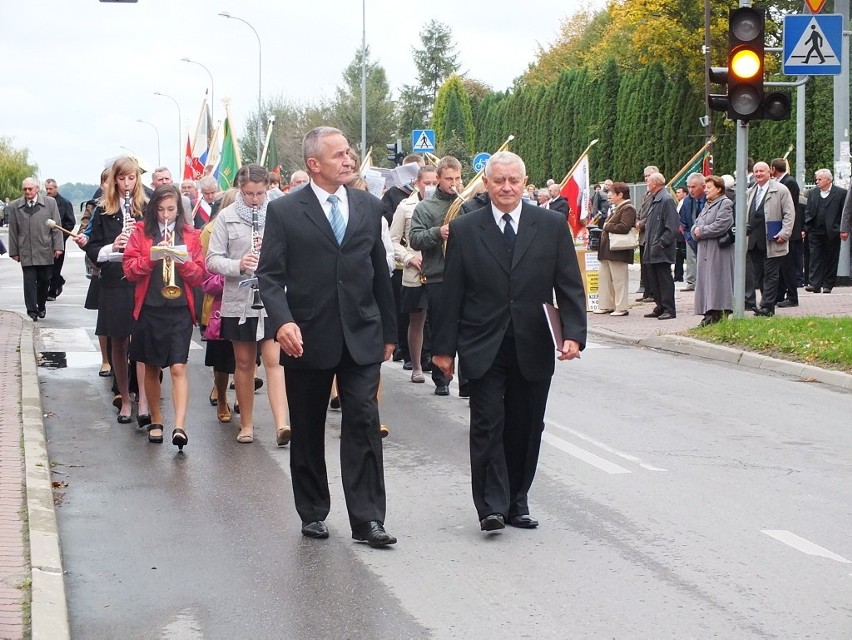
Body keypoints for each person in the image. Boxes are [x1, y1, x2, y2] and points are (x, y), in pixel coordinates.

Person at [256, 126, 397, 548]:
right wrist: (282, 322)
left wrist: (388, 330)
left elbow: (379, 274)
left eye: (349, 153)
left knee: (363, 422)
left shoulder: (369, 207)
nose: (349, 160)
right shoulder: (284, 211)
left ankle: (368, 519)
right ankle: (313, 512)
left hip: (361, 336)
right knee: (309, 425)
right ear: (314, 164)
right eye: (338, 155)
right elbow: (269, 275)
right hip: (307, 336)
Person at [432, 151, 587, 532]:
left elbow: (569, 284)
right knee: (487, 425)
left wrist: (574, 335)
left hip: (532, 342)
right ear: (486, 183)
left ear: (524, 181)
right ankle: (491, 507)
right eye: (498, 180)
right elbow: (451, 292)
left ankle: (517, 500)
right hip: (482, 343)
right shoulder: (467, 230)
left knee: (527, 425)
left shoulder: (550, 226)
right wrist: (443, 349)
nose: (506, 188)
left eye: (513, 181)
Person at [207, 164, 290, 446]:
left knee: (274, 360)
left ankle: (282, 425)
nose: (255, 199)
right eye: (249, 194)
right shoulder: (227, 217)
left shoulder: (279, 213)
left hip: (273, 298)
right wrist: (239, 264)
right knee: (243, 363)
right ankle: (247, 425)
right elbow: (212, 259)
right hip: (239, 300)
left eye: (260, 193)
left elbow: (293, 253)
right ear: (240, 190)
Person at [123, 185, 205, 449]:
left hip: (179, 308)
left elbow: (199, 276)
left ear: (179, 210)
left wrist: (182, 261)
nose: (165, 215)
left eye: (171, 210)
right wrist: (153, 257)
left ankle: (179, 425)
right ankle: (157, 419)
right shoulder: (140, 232)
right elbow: (130, 270)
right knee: (152, 366)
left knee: (179, 366)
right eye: (160, 210)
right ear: (153, 209)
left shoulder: (190, 236)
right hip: (150, 308)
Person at [79, 157, 148, 423]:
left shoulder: (145, 208)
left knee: (140, 341)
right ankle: (125, 399)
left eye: (132, 178)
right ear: (114, 180)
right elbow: (91, 247)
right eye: (122, 179)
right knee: (118, 341)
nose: (127, 184)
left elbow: (158, 240)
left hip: (140, 279)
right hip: (114, 279)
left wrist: (137, 244)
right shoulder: (102, 209)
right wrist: (113, 247)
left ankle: (143, 398)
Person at [409, 156, 463, 397]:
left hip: (466, 273)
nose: (454, 183)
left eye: (458, 178)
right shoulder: (425, 207)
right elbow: (415, 239)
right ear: (439, 179)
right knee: (442, 327)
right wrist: (438, 232)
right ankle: (442, 379)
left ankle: (470, 380)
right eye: (449, 178)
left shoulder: (468, 203)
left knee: (470, 327)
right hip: (437, 275)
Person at [390, 165, 439, 383]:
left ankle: (441, 370)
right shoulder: (405, 206)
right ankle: (417, 365)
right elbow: (392, 240)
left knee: (440, 321)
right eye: (426, 183)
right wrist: (409, 257)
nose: (430, 187)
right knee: (417, 320)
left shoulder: (446, 204)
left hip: (439, 270)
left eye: (434, 183)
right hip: (415, 271)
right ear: (417, 183)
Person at [200, 188, 238, 424]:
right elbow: (206, 275)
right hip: (221, 306)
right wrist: (233, 273)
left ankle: (242, 398)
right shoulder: (212, 230)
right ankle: (222, 396)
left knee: (248, 360)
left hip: (249, 304)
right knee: (223, 360)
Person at [7, 177, 64, 321]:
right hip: (26, 250)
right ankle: (32, 310)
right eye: (25, 189)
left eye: (30, 189)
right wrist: (14, 252)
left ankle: (41, 305)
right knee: (29, 282)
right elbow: (13, 230)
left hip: (45, 249)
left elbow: (57, 227)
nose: (27, 192)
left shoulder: (50, 203)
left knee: (45, 280)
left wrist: (58, 247)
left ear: (37, 189)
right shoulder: (15, 206)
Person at [746, 161, 796, 317]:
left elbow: (789, 213)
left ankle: (767, 306)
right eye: (756, 171)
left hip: (773, 240)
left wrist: (784, 233)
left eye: (762, 171)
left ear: (770, 172)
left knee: (771, 274)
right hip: (754, 241)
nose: (759, 174)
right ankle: (765, 303)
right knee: (759, 275)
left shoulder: (781, 190)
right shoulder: (751, 191)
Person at [692, 175, 735, 326]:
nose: (705, 190)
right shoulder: (707, 205)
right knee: (706, 282)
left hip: (718, 251)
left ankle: (718, 311)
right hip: (705, 250)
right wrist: (695, 231)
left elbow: (721, 225)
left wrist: (701, 231)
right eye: (705, 187)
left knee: (718, 281)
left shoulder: (725, 204)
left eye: (708, 187)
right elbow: (696, 223)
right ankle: (708, 312)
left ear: (718, 188)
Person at [594, 182, 636, 316]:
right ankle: (606, 305)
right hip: (608, 250)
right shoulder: (616, 208)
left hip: (618, 251)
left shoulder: (628, 208)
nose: (609, 196)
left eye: (612, 193)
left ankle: (621, 307)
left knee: (619, 280)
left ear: (620, 194)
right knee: (605, 278)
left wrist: (607, 226)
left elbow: (624, 227)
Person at [642, 172, 679, 320]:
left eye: (648, 181)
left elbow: (672, 226)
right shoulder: (654, 199)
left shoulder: (666, 200)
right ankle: (660, 306)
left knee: (664, 280)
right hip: (651, 247)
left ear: (655, 183)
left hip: (660, 248)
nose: (646, 183)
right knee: (654, 279)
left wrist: (662, 243)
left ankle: (669, 308)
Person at [803, 169, 846, 294]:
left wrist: (842, 229)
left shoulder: (841, 193)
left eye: (819, 179)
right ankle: (815, 284)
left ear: (829, 180)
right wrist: (807, 227)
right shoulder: (812, 193)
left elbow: (844, 212)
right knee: (814, 257)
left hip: (832, 231)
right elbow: (808, 210)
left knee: (831, 258)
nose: (817, 182)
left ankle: (828, 284)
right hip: (815, 230)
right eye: (816, 179)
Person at [44, 179, 75, 300]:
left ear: (56, 188)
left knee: (56, 267)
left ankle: (52, 292)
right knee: (46, 268)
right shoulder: (43, 202)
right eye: (46, 189)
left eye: (50, 189)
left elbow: (70, 222)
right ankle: (57, 282)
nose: (48, 191)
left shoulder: (65, 203)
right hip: (44, 240)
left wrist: (61, 238)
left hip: (59, 240)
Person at [678, 173, 705, 291]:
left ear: (702, 186)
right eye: (688, 187)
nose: (690, 190)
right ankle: (692, 282)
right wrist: (689, 236)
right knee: (691, 258)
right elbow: (683, 221)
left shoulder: (709, 199)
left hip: (707, 235)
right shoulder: (687, 201)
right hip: (691, 236)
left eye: (693, 187)